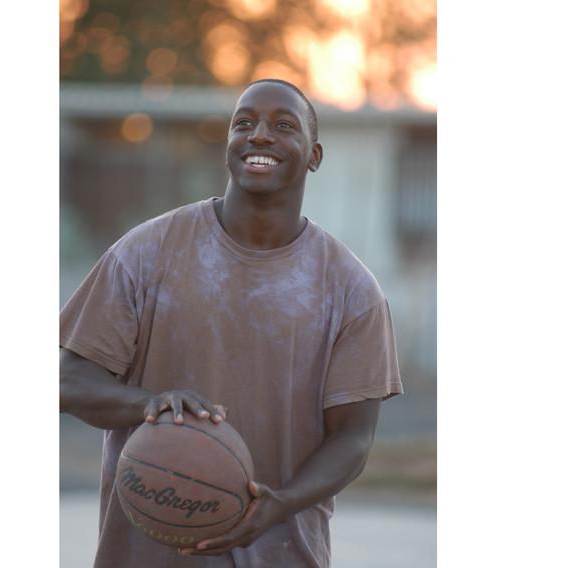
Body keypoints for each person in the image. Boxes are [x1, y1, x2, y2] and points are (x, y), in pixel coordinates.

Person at [60, 79, 403, 567]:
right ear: (227, 146)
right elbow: (67, 381)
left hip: (284, 553)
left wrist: (280, 502)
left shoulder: (352, 290)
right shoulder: (144, 253)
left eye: (283, 126)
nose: (259, 135)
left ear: (315, 155)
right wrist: (148, 405)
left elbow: (352, 439)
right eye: (243, 123)